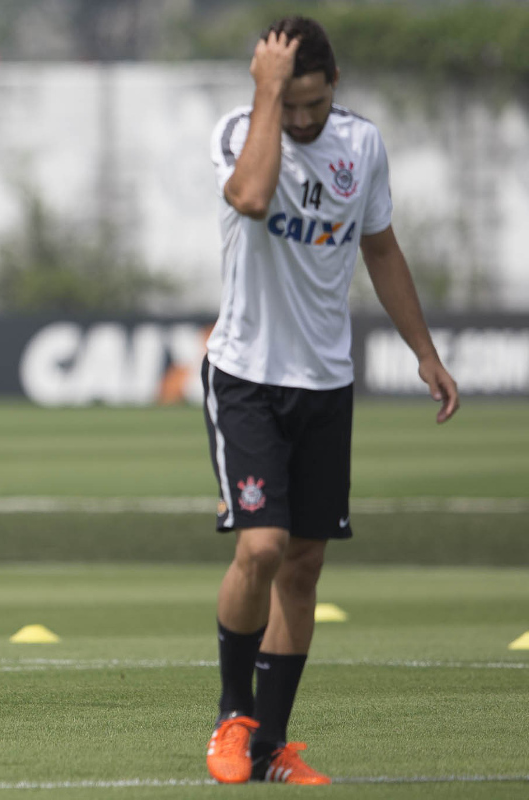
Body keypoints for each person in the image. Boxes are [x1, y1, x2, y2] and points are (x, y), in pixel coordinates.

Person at [202, 16, 458, 784]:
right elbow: (249, 197)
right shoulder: (240, 131)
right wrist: (267, 95)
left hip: (326, 381)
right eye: (294, 102)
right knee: (261, 546)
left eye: (315, 104)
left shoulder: (363, 146)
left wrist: (424, 350)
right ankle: (230, 716)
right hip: (246, 375)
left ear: (334, 88)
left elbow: (380, 246)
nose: (307, 120)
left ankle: (271, 745)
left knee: (304, 566)